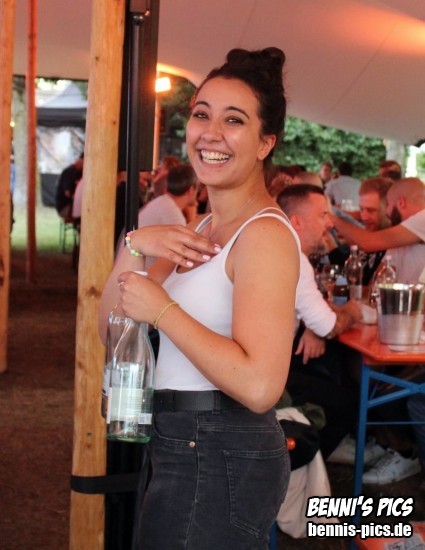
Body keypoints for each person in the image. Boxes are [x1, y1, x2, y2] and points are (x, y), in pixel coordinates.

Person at [99, 47, 300, 549]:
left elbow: (260, 386)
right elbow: (111, 327)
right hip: (182, 440)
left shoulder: (264, 235)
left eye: (234, 120)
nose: (210, 133)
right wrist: (134, 245)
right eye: (201, 114)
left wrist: (163, 312)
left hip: (220, 446)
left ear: (265, 142)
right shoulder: (203, 227)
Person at [277, 184, 364, 459]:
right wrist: (353, 311)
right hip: (265, 377)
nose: (330, 223)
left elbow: (317, 318)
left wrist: (312, 327)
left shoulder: (278, 248)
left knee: (329, 368)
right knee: (347, 404)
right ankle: (302, 462)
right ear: (297, 222)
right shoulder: (294, 257)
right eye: (323, 215)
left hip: (260, 365)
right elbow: (329, 326)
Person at [332, 177, 425, 282]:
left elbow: (366, 243)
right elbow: (377, 282)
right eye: (361, 209)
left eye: (388, 204)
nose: (387, 212)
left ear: (401, 203)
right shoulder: (399, 238)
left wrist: (329, 217)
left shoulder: (423, 218)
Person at [55, 152, 84, 219]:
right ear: (80, 160)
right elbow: (67, 193)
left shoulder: (80, 172)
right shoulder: (69, 172)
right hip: (64, 207)